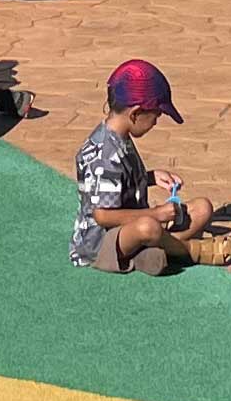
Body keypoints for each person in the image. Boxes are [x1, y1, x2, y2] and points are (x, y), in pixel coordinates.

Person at [71, 59, 209, 275]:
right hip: (101, 244)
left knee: (202, 208)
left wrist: (151, 177)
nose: (156, 122)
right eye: (156, 115)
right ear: (135, 113)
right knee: (148, 227)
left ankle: (155, 251)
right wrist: (156, 214)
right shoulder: (105, 156)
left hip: (130, 227)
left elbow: (119, 184)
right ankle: (188, 251)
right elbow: (103, 216)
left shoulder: (120, 136)